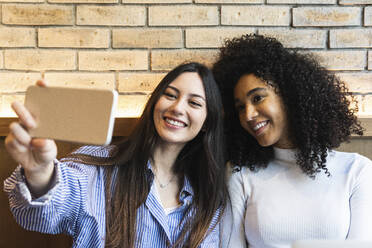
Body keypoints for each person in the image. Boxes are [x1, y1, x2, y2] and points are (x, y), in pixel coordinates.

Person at [3, 62, 228, 248]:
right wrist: (40, 171)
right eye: (170, 95)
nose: (178, 108)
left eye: (194, 103)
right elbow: (44, 215)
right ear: (154, 104)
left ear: (207, 122)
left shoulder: (206, 194)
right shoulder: (98, 166)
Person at [212, 34, 372, 248]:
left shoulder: (356, 171)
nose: (248, 114)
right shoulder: (241, 175)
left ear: (289, 95)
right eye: (240, 107)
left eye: (258, 98)